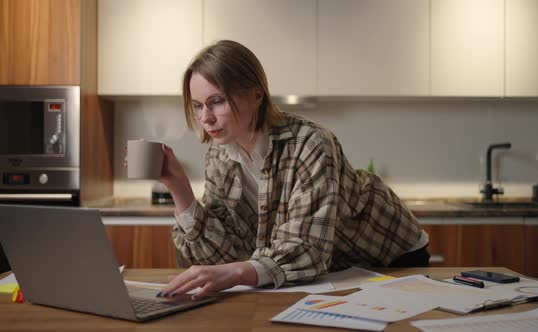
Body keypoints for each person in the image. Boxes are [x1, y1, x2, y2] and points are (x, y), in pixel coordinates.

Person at [152, 40, 429, 298]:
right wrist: (179, 187)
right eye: (198, 106)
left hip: (388, 255)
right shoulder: (218, 156)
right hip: (332, 271)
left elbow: (307, 250)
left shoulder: (310, 143)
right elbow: (228, 251)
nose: (205, 118)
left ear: (256, 94)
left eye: (217, 101)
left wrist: (236, 272)